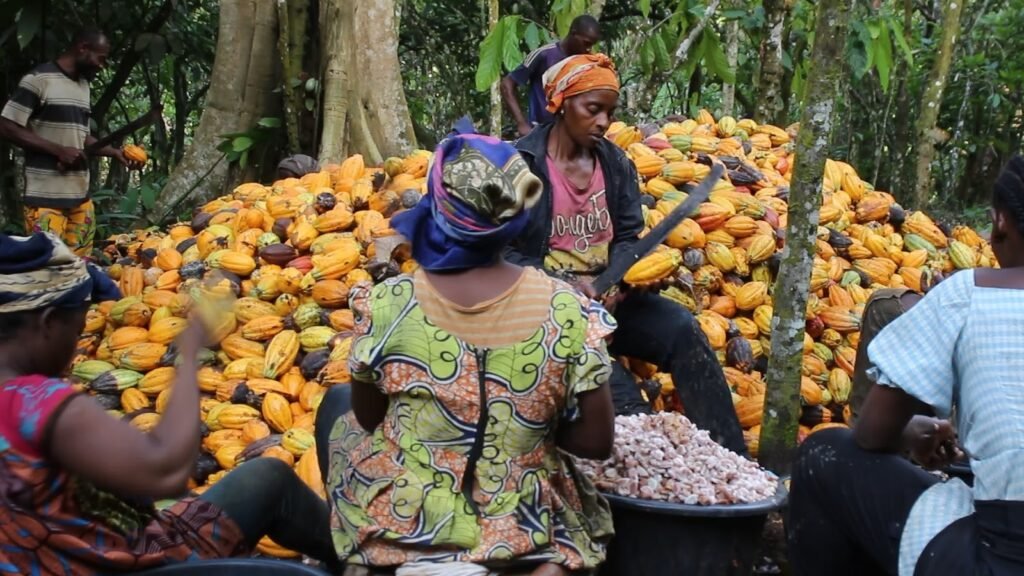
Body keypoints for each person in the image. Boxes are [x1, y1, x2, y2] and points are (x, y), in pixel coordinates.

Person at [317, 131, 616, 575]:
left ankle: (374, 558)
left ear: (438, 210)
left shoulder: (389, 305)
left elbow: (369, 419)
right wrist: (533, 430)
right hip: (521, 518)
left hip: (413, 516)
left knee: (342, 422)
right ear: (514, 218)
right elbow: (596, 442)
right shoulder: (566, 309)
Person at [0, 232, 340, 574]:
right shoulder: (35, 403)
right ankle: (365, 560)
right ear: (46, 325)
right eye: (75, 332)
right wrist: (190, 351)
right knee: (271, 478)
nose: (76, 348)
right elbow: (168, 471)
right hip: (137, 562)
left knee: (262, 476)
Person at [787, 156, 1024, 576]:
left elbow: (873, 434)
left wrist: (912, 433)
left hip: (998, 556)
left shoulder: (970, 294)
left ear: (1000, 222)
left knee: (826, 452)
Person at [506, 53, 747, 455]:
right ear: (562, 103)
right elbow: (502, 253)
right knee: (623, 400)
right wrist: (562, 286)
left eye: (610, 112)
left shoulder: (615, 163)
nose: (603, 122)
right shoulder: (521, 164)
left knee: (683, 329)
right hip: (547, 311)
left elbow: (629, 235)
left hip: (609, 298)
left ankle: (733, 458)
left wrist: (624, 278)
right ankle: (644, 478)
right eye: (592, 109)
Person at [0, 27, 142, 259]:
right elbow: (6, 125)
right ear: (83, 48)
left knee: (80, 270)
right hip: (45, 199)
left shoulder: (82, 86)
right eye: (100, 58)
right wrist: (58, 151)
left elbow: (80, 135)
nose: (101, 65)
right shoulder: (39, 80)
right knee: (47, 271)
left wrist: (113, 152)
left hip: (80, 198)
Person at [501, 15, 600, 138]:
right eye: (586, 43)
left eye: (591, 45)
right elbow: (507, 84)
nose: (588, 49)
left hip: (572, 136)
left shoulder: (586, 62)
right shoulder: (544, 55)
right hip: (540, 132)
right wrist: (521, 123)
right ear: (573, 33)